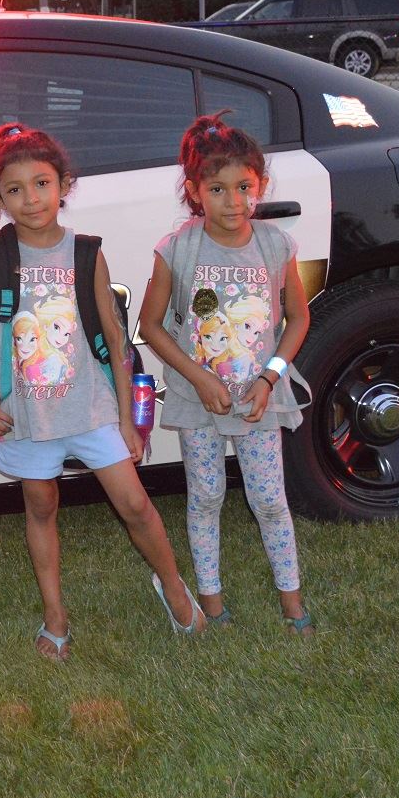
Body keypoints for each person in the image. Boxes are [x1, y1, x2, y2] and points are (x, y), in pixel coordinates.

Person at [0, 122, 205, 661]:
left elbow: (115, 338)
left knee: (135, 503)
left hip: (91, 409)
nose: (30, 199)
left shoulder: (86, 252)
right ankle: (55, 617)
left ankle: (174, 587)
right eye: (14, 189)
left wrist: (127, 419)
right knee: (41, 505)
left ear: (63, 184)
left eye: (41, 183)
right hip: (26, 418)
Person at [137, 115, 315, 635]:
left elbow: (298, 318)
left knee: (268, 499)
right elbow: (150, 325)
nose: (233, 202)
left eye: (244, 187)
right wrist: (198, 377)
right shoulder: (177, 249)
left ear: (259, 186)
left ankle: (293, 606)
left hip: (260, 402)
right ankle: (212, 604)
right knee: (207, 496)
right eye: (217, 189)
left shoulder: (276, 245)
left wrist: (269, 377)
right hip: (199, 404)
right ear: (194, 191)